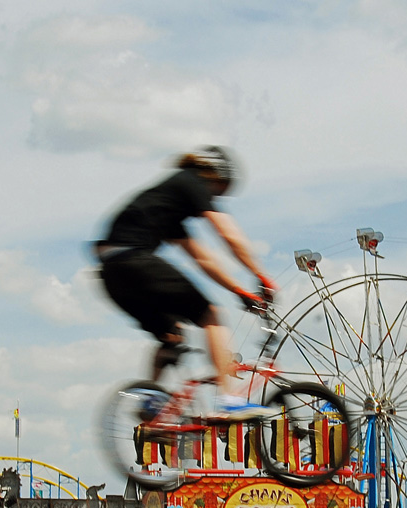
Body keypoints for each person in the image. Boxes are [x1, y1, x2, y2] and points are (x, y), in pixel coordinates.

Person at [95, 145, 279, 418]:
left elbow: (201, 259)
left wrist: (238, 290)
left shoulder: (168, 202)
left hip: (111, 275)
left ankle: (152, 408)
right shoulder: (191, 181)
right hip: (134, 260)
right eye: (218, 191)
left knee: (171, 335)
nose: (214, 197)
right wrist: (260, 274)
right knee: (212, 316)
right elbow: (227, 235)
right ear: (214, 176)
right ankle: (229, 400)